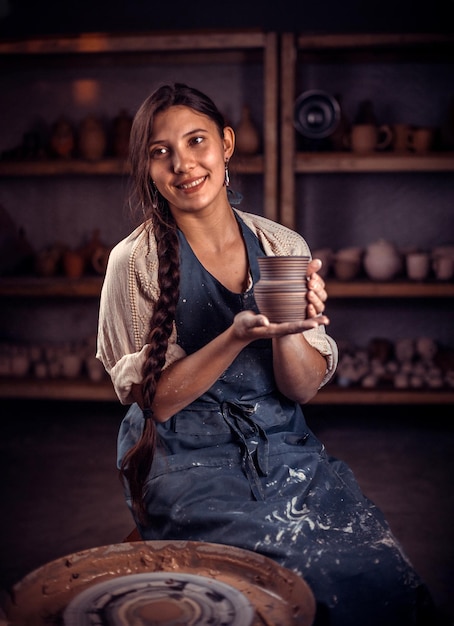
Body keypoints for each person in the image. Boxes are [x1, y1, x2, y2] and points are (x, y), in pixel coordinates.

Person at [96, 83, 437, 625]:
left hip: (283, 447)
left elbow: (300, 389)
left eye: (197, 141)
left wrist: (286, 328)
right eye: (161, 151)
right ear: (147, 166)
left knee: (376, 576)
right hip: (187, 458)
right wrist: (236, 335)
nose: (183, 164)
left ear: (226, 144)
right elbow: (156, 404)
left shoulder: (283, 246)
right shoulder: (132, 261)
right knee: (282, 583)